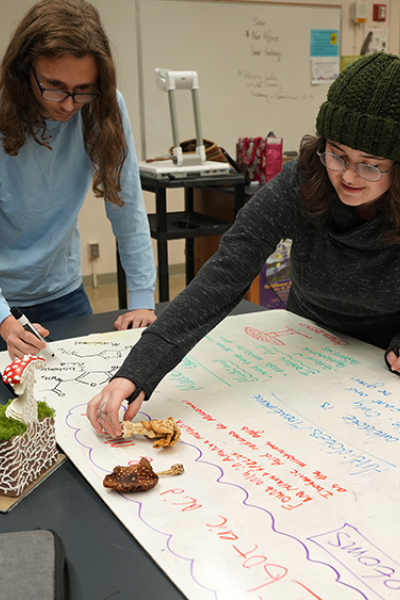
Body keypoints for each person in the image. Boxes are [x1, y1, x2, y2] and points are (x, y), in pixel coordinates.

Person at [87, 51, 400, 437]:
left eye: (369, 164)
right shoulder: (303, 182)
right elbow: (224, 275)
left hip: (381, 360)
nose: (348, 175)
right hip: (306, 337)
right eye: (337, 154)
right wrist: (137, 371)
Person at [0, 0, 156, 360]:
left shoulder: (103, 107)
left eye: (83, 89)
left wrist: (143, 299)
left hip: (63, 292)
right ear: (25, 69)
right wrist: (4, 320)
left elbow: (126, 204)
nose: (69, 105)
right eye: (55, 85)